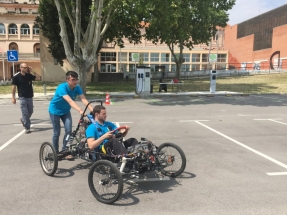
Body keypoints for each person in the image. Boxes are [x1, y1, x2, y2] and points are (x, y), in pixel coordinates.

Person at [49, 71, 93, 159]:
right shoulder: (62, 88)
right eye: (73, 80)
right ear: (67, 80)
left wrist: (94, 111)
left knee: (69, 131)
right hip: (55, 111)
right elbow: (70, 101)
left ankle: (65, 150)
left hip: (65, 112)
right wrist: (80, 110)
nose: (75, 82)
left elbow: (84, 100)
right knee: (57, 132)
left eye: (76, 80)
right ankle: (56, 151)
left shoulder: (77, 88)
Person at [12, 63, 36, 134]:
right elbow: (13, 87)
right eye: (25, 67)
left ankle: (23, 119)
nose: (26, 69)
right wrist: (13, 97)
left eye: (27, 67)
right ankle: (27, 127)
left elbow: (38, 78)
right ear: (21, 68)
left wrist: (32, 71)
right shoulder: (16, 77)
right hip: (22, 97)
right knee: (25, 112)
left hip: (29, 96)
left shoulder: (29, 75)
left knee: (30, 111)